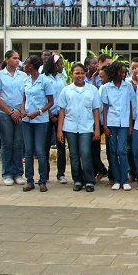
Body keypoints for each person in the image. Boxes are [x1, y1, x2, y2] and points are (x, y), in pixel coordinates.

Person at [57, 63, 100, 192]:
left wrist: (97, 129)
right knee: (74, 155)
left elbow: (95, 110)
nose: (80, 75)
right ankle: (77, 180)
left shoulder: (92, 90)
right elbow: (62, 111)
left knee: (85, 153)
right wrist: (59, 130)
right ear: (72, 75)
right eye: (77, 73)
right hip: (70, 127)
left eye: (82, 73)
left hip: (86, 127)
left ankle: (89, 181)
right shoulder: (66, 90)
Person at [20, 56, 54, 192]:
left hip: (40, 120)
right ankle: (29, 180)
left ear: (32, 66)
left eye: (26, 64)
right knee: (28, 151)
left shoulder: (45, 81)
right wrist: (22, 110)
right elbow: (24, 98)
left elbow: (51, 102)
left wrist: (38, 112)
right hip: (26, 120)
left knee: (40, 150)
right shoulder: (26, 80)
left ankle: (42, 180)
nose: (24, 66)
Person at [101, 62, 136, 191]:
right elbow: (104, 107)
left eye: (124, 72)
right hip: (111, 122)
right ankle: (116, 179)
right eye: (120, 72)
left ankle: (124, 179)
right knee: (112, 151)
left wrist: (130, 125)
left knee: (122, 150)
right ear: (114, 72)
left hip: (124, 123)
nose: (123, 74)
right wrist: (105, 125)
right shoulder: (106, 87)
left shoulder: (128, 86)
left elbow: (131, 105)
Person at [0, 50, 27, 186]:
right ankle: (7, 173)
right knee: (7, 143)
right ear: (7, 59)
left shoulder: (23, 75)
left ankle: (18, 173)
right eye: (14, 58)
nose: (17, 60)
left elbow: (25, 95)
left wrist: (19, 110)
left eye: (18, 58)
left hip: (19, 112)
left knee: (18, 143)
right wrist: (10, 112)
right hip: (4, 113)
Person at [42, 54, 68, 184]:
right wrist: (51, 116)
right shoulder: (43, 78)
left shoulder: (61, 79)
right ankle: (44, 174)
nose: (62, 66)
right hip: (46, 116)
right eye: (60, 64)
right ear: (54, 65)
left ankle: (61, 174)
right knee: (45, 145)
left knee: (61, 145)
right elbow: (42, 99)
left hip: (60, 116)